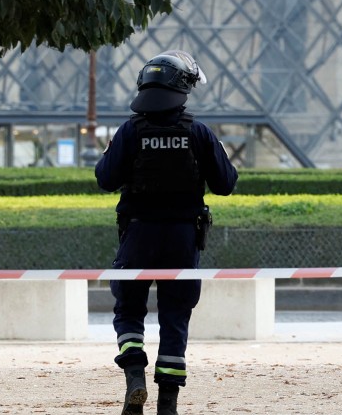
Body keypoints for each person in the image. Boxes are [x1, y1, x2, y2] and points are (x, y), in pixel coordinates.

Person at [95, 51, 238, 415]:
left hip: (137, 236)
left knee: (128, 310)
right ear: (183, 88)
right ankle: (168, 405)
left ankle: (134, 378)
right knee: (175, 315)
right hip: (181, 239)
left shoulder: (130, 131)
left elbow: (104, 179)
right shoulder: (198, 132)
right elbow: (225, 184)